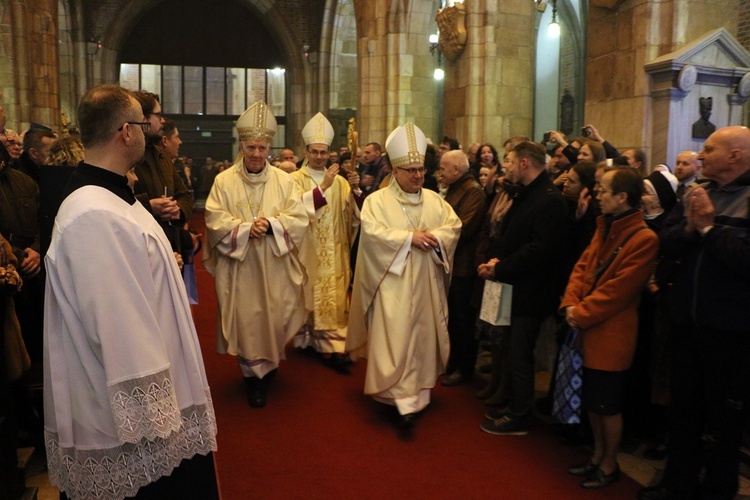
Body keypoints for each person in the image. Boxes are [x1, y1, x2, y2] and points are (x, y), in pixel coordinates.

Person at [44, 84, 218, 500]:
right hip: (134, 425)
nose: (149, 133)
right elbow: (118, 327)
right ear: (125, 131)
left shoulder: (114, 196)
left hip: (151, 404)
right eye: (144, 125)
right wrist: (156, 419)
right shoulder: (93, 214)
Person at [638, 126, 750, 500]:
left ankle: (717, 491)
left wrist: (708, 229)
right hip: (686, 323)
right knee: (683, 413)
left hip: (731, 332)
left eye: (710, 150)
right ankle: (677, 485)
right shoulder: (696, 192)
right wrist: (691, 227)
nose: (700, 157)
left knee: (724, 421)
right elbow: (665, 242)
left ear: (735, 155)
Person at [346, 122, 461, 428]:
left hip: (426, 284)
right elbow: (371, 232)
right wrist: (409, 239)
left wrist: (436, 237)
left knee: (422, 337)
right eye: (410, 170)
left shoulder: (436, 200)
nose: (417, 176)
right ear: (394, 171)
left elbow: (454, 227)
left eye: (421, 169)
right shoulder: (377, 201)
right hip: (391, 282)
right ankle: (396, 396)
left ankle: (416, 396)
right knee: (396, 335)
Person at [204, 100, 309, 408]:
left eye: (262, 148)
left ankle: (270, 368)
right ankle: (253, 378)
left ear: (269, 149)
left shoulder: (284, 180)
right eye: (251, 148)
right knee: (248, 320)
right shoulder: (224, 181)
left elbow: (299, 216)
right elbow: (213, 218)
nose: (256, 154)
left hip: (275, 263)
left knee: (275, 317)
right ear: (242, 146)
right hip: (242, 266)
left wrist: (274, 224)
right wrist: (246, 229)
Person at [561, 168, 658, 489]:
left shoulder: (644, 238)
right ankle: (596, 456)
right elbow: (582, 267)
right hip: (587, 325)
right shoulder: (605, 226)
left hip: (611, 332)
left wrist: (580, 313)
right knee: (591, 401)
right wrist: (570, 305)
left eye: (603, 191)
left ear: (622, 197)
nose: (597, 195)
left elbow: (619, 291)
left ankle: (609, 462)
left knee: (607, 404)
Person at [477, 141, 571, 436]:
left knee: (520, 353)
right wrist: (498, 261)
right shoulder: (528, 193)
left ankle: (520, 415)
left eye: (510, 161)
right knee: (510, 349)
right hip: (513, 284)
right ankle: (514, 405)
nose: (506, 166)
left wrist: (501, 267)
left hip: (530, 291)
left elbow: (540, 249)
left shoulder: (549, 198)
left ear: (525, 164)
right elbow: (515, 236)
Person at [291, 112, 362, 370]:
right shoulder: (293, 180)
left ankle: (333, 348)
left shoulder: (341, 181)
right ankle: (312, 341)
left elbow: (354, 217)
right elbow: (294, 212)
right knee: (311, 297)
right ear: (306, 151)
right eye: (315, 152)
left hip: (336, 251)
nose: (320, 157)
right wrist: (322, 188)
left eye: (324, 153)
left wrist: (355, 190)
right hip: (309, 251)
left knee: (336, 298)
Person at [439, 150, 487, 386]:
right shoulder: (458, 187)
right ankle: (453, 362)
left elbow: (463, 228)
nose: (440, 173)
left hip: (465, 267)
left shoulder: (472, 191)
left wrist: (438, 235)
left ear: (456, 170)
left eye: (443, 168)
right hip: (453, 264)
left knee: (463, 320)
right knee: (454, 319)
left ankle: (464, 368)